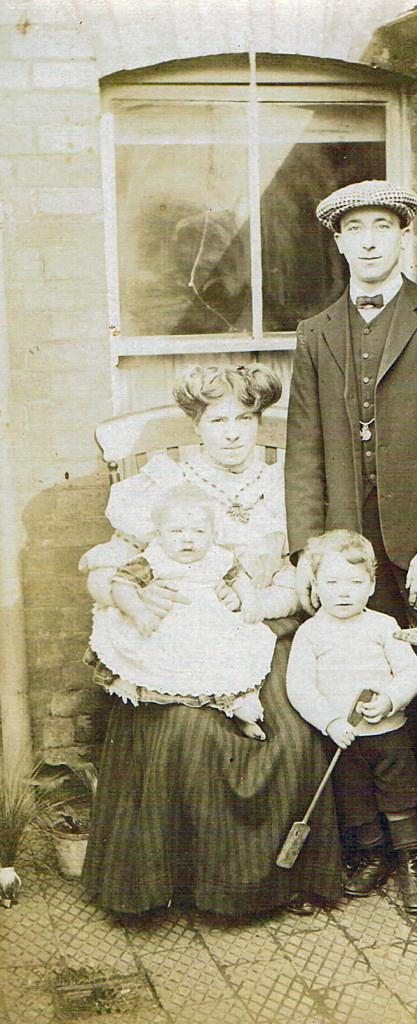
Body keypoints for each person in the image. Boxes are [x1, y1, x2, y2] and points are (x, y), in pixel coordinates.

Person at [284, 180, 417, 915]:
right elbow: (303, 448)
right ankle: (374, 847)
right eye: (356, 230)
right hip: (347, 557)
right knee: (350, 695)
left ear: (405, 237)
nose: (369, 241)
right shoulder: (315, 333)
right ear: (338, 242)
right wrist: (311, 553)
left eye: (384, 227)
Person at [80, 363, 342, 918]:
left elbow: (307, 582)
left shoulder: (282, 484)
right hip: (179, 641)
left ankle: (275, 885)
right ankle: (179, 885)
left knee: (290, 738)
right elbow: (108, 565)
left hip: (262, 632)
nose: (232, 432)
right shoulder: (161, 484)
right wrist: (124, 595)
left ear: (257, 422)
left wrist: (260, 603)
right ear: (195, 424)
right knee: (187, 734)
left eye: (244, 418)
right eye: (217, 419)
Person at [286, 530, 417, 915]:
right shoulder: (310, 633)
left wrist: (389, 700)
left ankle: (410, 863)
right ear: (315, 586)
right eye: (331, 583)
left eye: (354, 582)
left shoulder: (383, 626)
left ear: (371, 585)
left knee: (399, 799)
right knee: (355, 801)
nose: (343, 592)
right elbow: (300, 687)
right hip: (344, 741)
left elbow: (409, 672)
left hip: (388, 735)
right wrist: (330, 721)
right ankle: (372, 858)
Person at [88, 483, 277, 741]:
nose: (188, 539)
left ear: (212, 533)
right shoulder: (154, 558)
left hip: (212, 622)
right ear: (159, 533)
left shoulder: (218, 556)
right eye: (176, 531)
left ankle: (239, 703)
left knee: (242, 647)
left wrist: (250, 601)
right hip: (170, 623)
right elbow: (121, 585)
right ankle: (226, 704)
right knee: (176, 661)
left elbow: (238, 577)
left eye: (199, 531)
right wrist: (139, 612)